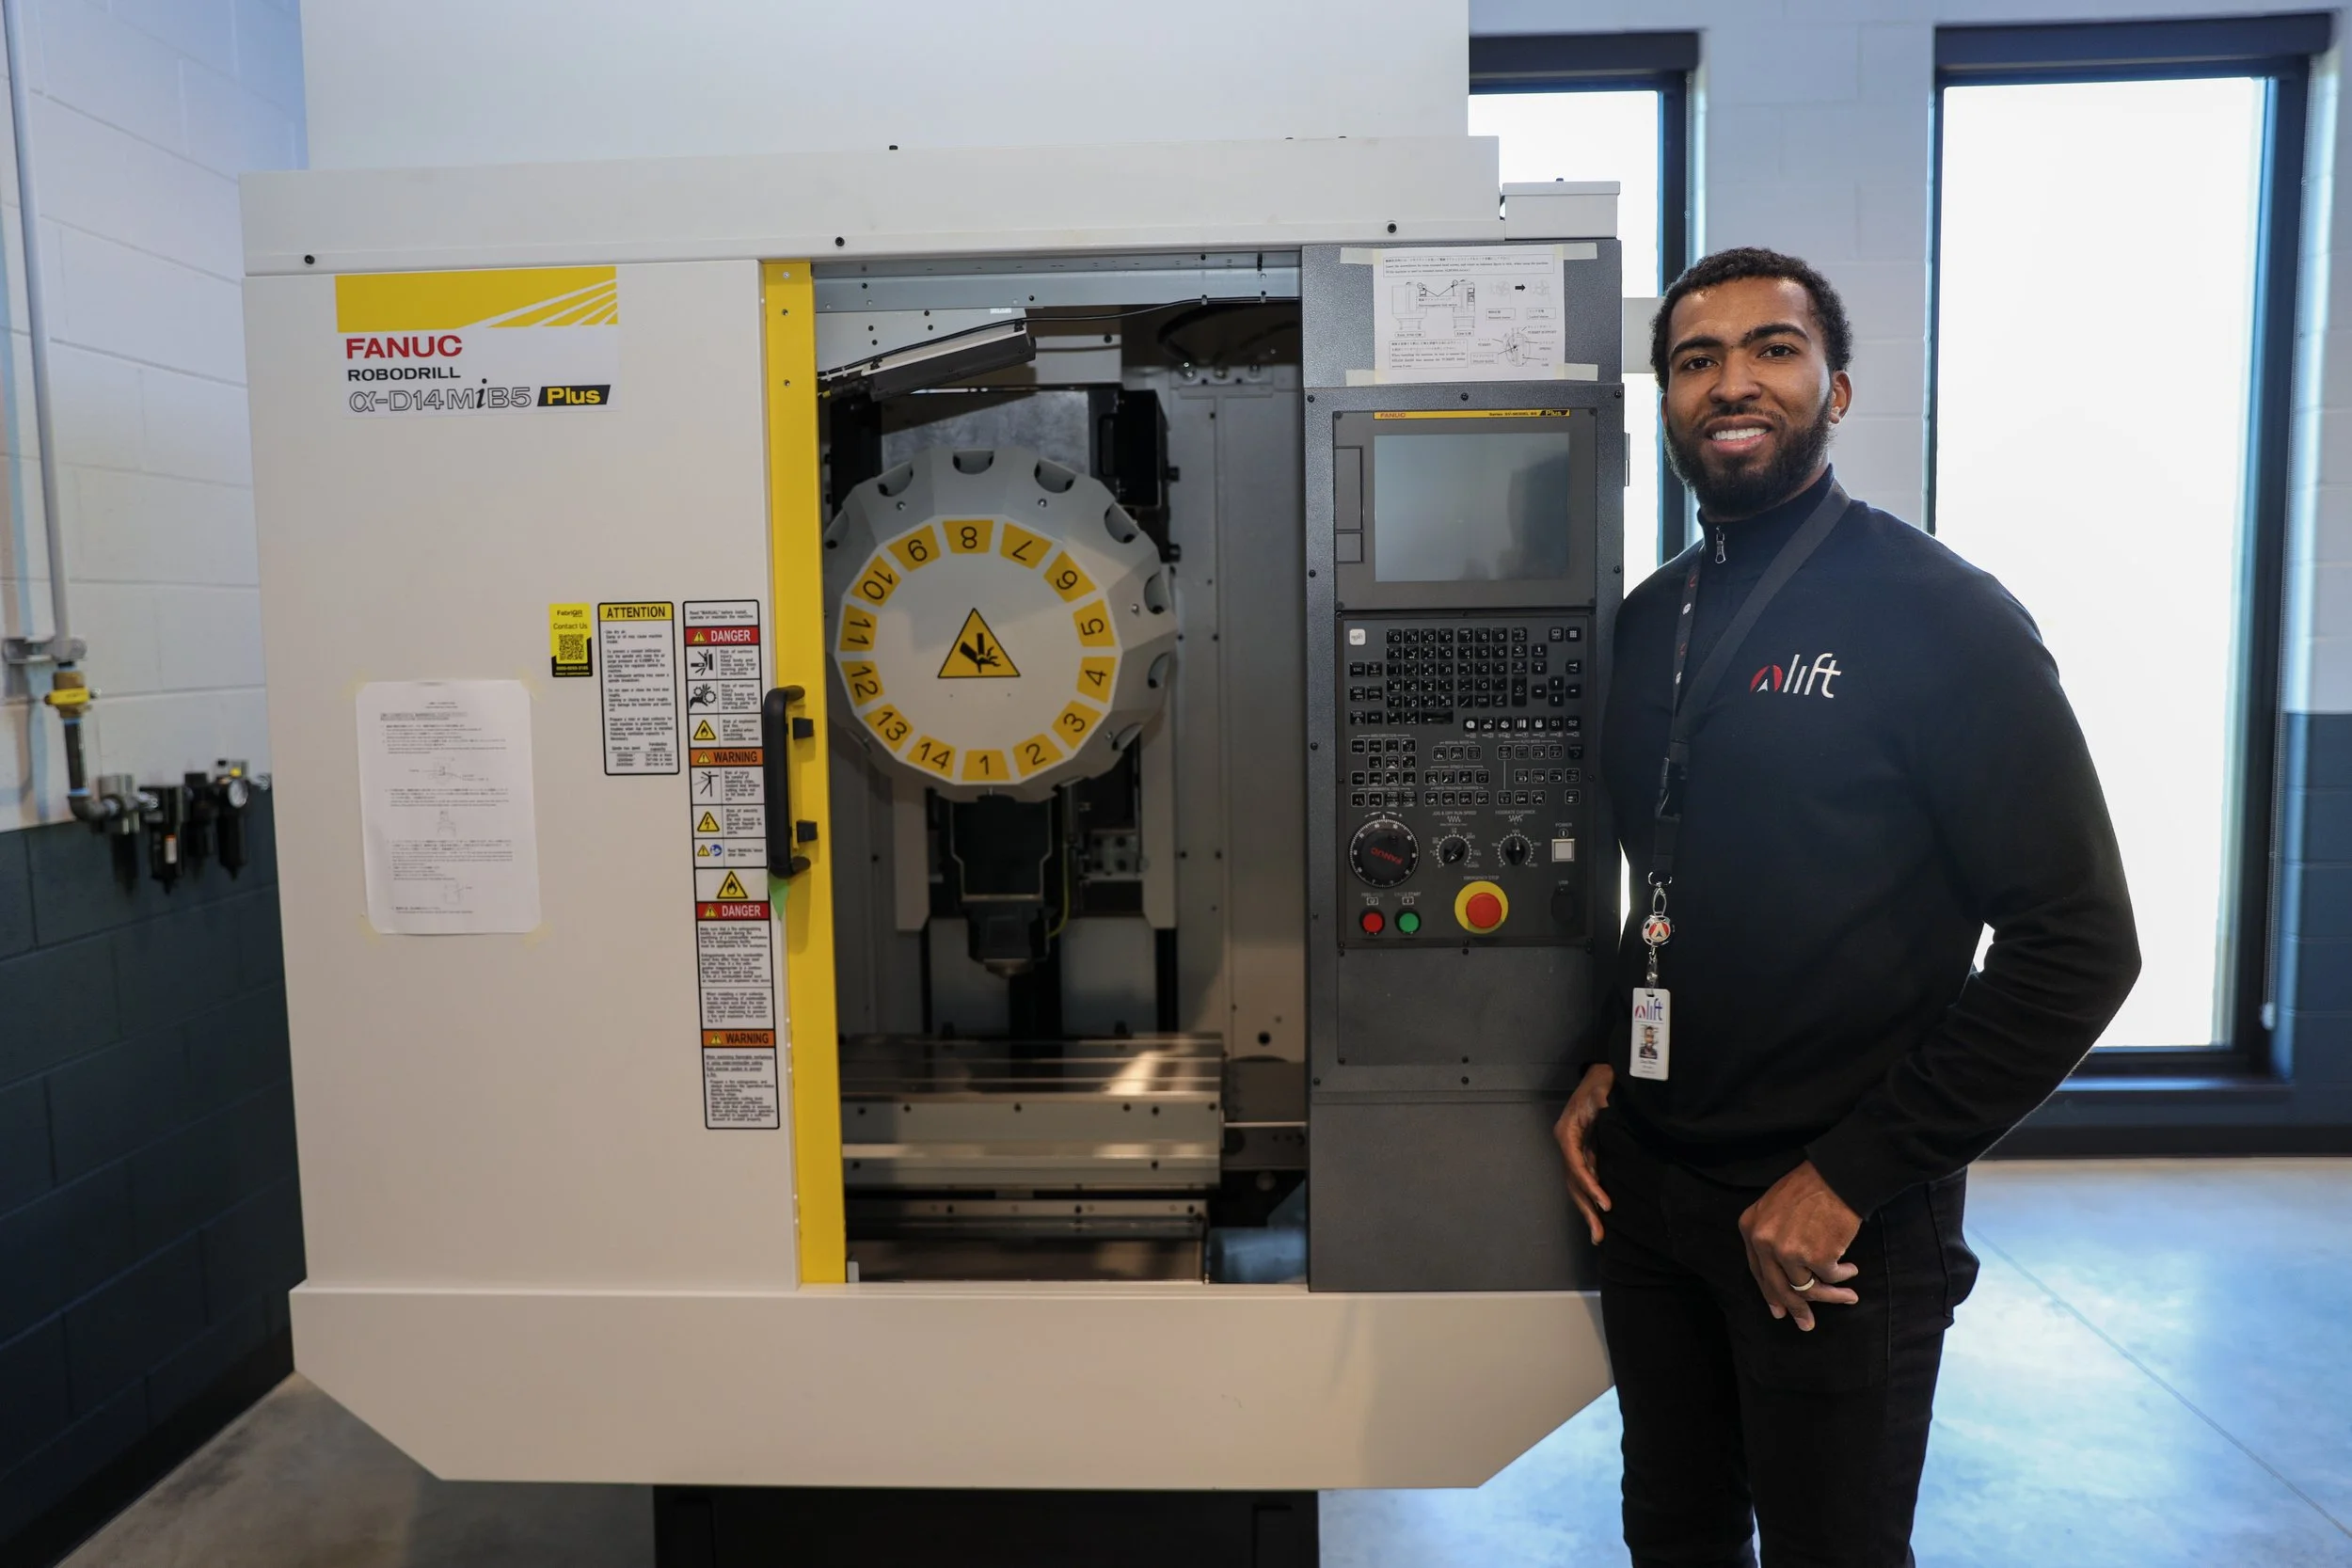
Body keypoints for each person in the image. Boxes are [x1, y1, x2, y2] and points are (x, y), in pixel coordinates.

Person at [1553, 247, 2140, 1568]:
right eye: (1696, 360)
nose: (1732, 383)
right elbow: (1681, 874)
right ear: (1666, 400)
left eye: (1772, 348)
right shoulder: (1653, 622)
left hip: (1832, 1224)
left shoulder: (1942, 618)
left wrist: (1846, 1178)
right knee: (1675, 1536)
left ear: (1837, 387)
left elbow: (2080, 941)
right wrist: (1609, 1043)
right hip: (1655, 1194)